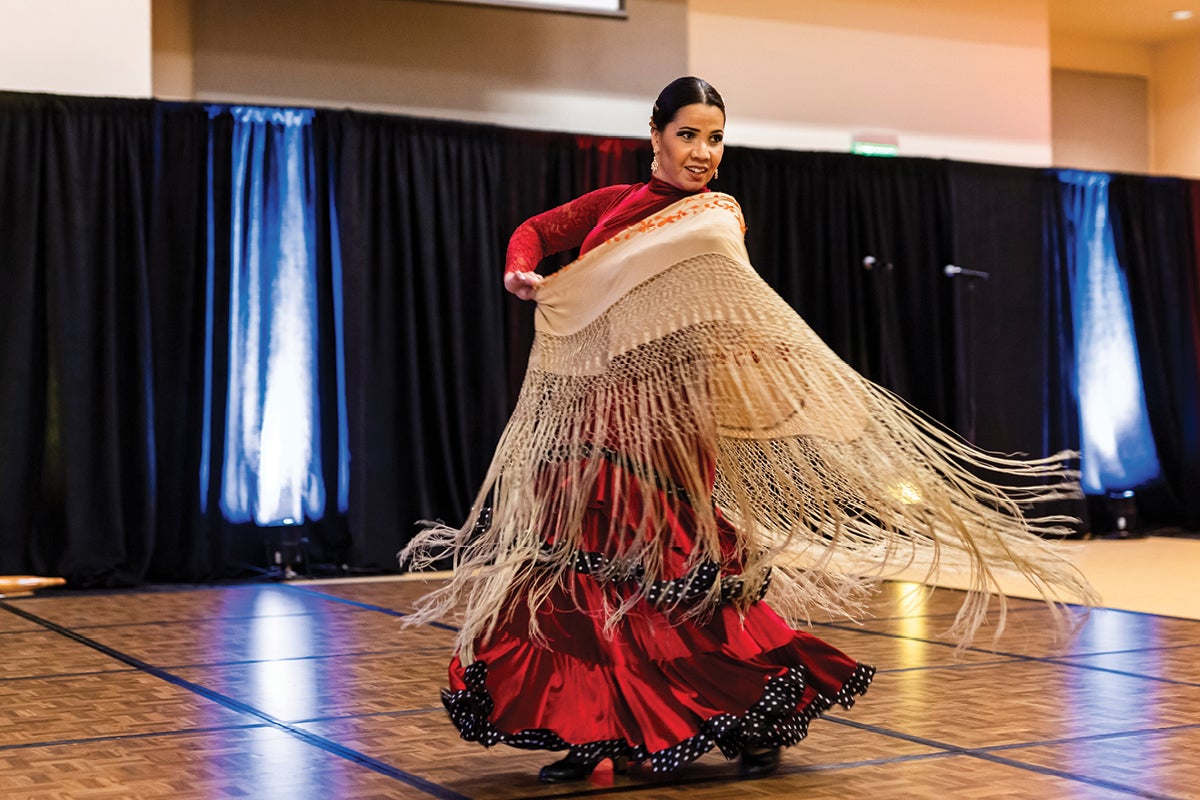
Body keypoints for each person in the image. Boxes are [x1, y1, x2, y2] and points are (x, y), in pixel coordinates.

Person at [401, 76, 1095, 783]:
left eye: (715, 138)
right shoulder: (615, 205)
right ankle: (593, 730)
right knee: (584, 578)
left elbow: (731, 315)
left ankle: (754, 708)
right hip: (594, 419)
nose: (703, 152)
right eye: (688, 135)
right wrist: (523, 272)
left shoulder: (713, 218)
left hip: (669, 429)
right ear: (655, 134)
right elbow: (540, 232)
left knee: (675, 572)